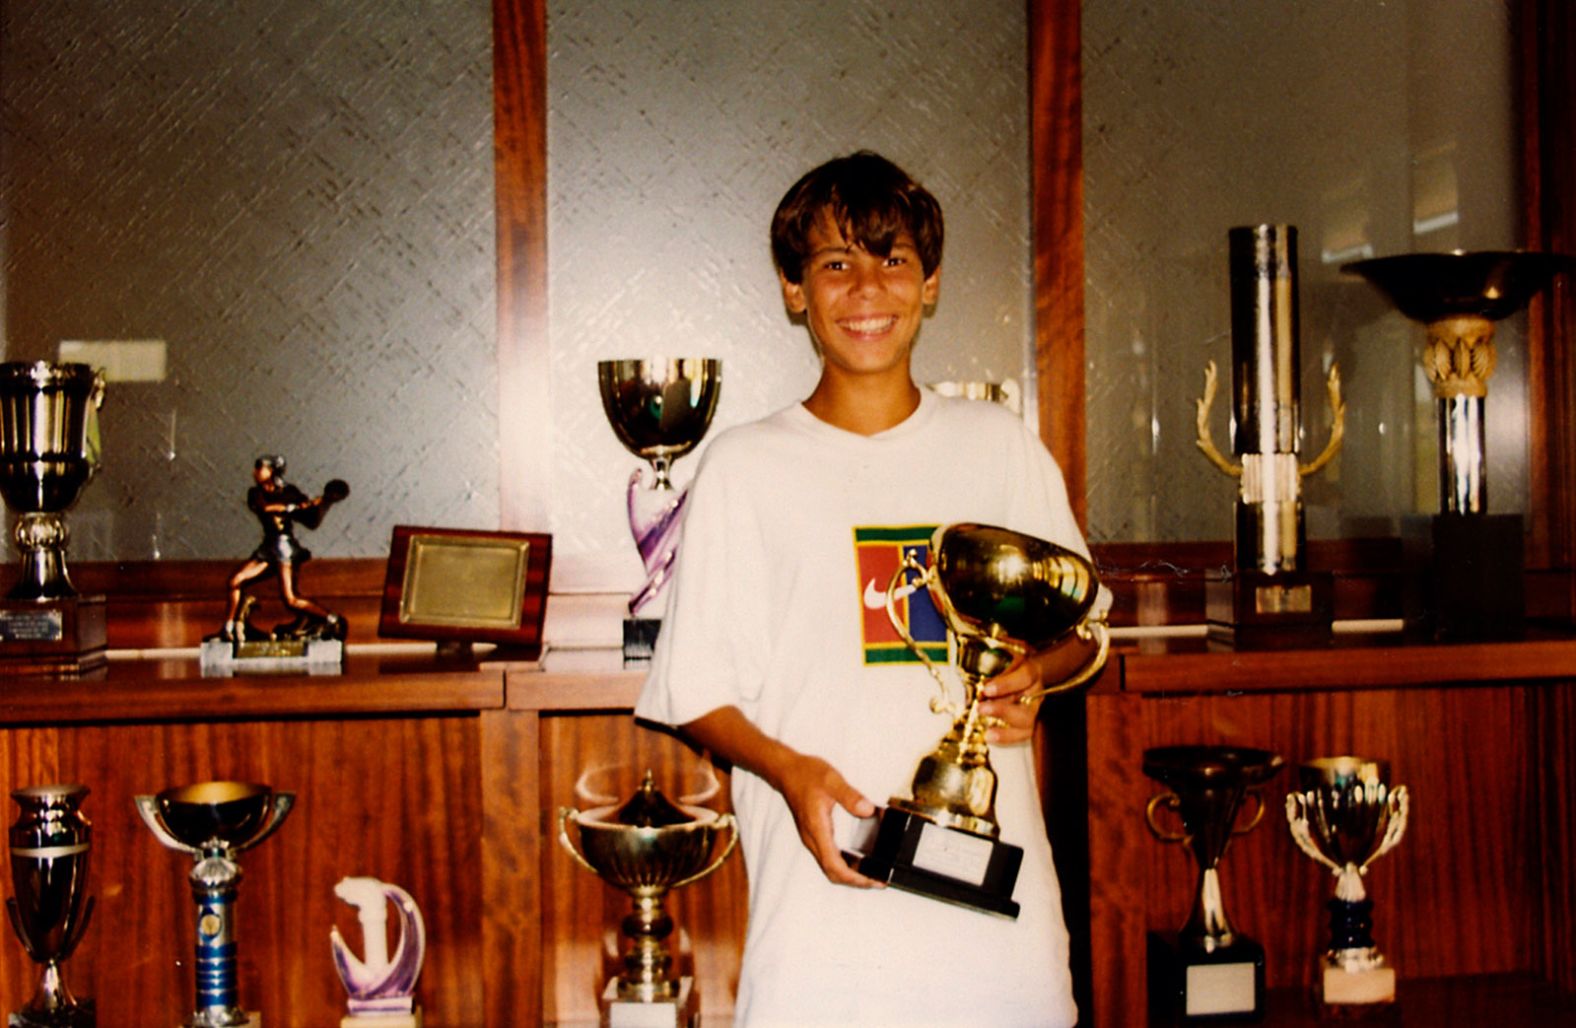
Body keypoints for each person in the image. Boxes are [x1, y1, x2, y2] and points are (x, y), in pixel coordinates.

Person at [635, 151, 1103, 1026]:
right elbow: (695, 689)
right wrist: (791, 771)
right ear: (793, 291)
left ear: (930, 286)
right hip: (825, 918)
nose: (866, 290)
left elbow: (1082, 625)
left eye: (893, 261)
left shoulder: (997, 445)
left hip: (996, 924)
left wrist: (1041, 673)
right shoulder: (744, 467)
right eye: (835, 264)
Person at [216, 455, 348, 643]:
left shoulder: (290, 491)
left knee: (290, 599)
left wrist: (324, 503)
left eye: (259, 467)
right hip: (268, 548)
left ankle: (331, 619)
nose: (255, 472)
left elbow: (311, 521)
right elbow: (265, 509)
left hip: (284, 548)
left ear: (272, 471)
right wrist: (293, 507)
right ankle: (229, 627)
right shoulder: (255, 493)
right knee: (235, 581)